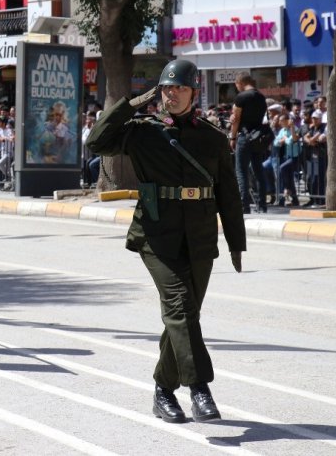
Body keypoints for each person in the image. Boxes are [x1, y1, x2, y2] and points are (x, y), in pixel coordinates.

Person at [86, 59, 246, 424]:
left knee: (185, 315)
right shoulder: (142, 130)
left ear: (193, 92)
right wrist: (131, 105)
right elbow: (96, 142)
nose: (172, 94)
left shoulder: (212, 137)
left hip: (201, 234)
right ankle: (199, 388)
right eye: (166, 88)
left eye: (179, 88)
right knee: (179, 307)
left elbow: (228, 193)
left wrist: (237, 241)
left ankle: (162, 389)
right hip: (157, 234)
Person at [229, 72, 268, 213]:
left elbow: (236, 119)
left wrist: (232, 137)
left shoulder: (241, 97)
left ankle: (244, 206)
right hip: (258, 137)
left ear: (240, 82)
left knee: (241, 171)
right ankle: (262, 205)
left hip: (244, 137)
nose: (237, 87)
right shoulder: (261, 97)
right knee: (258, 170)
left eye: (236, 85)